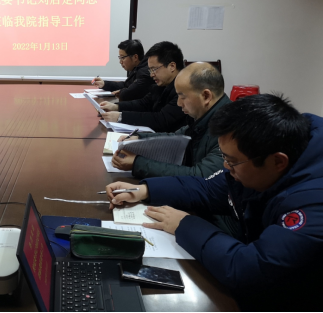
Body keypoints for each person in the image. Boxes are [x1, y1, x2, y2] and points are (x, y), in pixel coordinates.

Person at [105, 94, 323, 311]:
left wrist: (185, 225)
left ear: (277, 161)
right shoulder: (271, 154)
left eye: (232, 161)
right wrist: (145, 190)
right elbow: (209, 188)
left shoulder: (314, 205)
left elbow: (249, 268)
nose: (226, 167)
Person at [111, 62, 230, 180]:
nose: (179, 103)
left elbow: (201, 176)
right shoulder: (204, 115)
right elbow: (177, 137)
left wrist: (137, 164)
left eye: (182, 97)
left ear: (206, 96)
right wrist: (139, 138)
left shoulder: (229, 128)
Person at [100, 41, 187, 133]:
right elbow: (144, 103)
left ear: (172, 66)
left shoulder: (185, 89)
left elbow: (161, 119)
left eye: (154, 69)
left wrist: (121, 116)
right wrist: (116, 107)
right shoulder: (162, 84)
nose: (151, 75)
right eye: (150, 70)